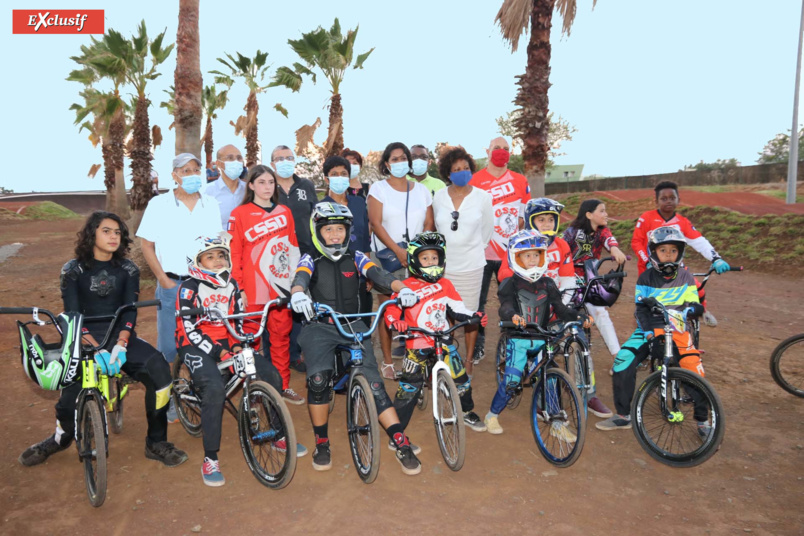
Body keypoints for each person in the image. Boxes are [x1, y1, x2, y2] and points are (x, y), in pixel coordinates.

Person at [19, 211, 188, 468]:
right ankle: (60, 438)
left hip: (120, 337)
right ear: (92, 234)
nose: (113, 237)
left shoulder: (128, 269)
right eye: (106, 231)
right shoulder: (73, 270)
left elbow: (129, 310)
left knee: (161, 376)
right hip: (82, 339)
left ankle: (156, 442)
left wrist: (121, 344)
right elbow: (73, 313)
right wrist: (93, 348)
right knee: (68, 399)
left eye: (117, 232)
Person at [289, 202, 423, 475]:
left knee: (374, 384)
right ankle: (322, 441)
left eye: (340, 229)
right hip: (320, 325)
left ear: (348, 231)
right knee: (317, 381)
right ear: (318, 231)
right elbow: (300, 278)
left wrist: (402, 287)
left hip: (354, 324)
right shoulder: (310, 257)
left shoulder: (357, 255)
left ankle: (399, 439)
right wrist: (298, 294)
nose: (335, 235)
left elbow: (379, 274)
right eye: (329, 229)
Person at [176, 235, 292, 486]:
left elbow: (237, 318)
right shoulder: (189, 287)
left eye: (221, 255)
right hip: (195, 343)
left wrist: (238, 344)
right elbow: (188, 328)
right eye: (210, 257)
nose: (218, 261)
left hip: (228, 340)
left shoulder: (232, 284)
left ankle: (279, 434)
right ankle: (210, 459)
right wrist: (219, 353)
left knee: (270, 375)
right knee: (214, 390)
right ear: (197, 262)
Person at [137, 153, 222, 423]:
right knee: (169, 347)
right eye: (186, 170)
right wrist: (163, 280)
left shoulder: (211, 204)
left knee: (204, 341)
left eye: (196, 169)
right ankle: (172, 400)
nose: (192, 174)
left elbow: (217, 243)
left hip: (205, 286)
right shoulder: (159, 204)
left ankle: (201, 393)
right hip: (172, 284)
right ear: (174, 175)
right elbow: (146, 245)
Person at [597, 227, 706, 432]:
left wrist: (691, 310)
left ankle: (703, 420)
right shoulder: (645, 278)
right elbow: (640, 310)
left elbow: (695, 304)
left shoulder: (686, 277)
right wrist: (648, 332)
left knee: (694, 369)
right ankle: (623, 415)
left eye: (673, 250)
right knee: (622, 361)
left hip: (678, 330)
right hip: (649, 329)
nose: (668, 255)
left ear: (680, 252)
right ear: (653, 252)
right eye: (663, 250)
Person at [485, 230, 593, 435]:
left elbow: (560, 309)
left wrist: (577, 316)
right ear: (516, 258)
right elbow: (505, 306)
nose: (533, 259)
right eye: (527, 256)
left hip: (543, 338)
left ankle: (556, 423)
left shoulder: (548, 283)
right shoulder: (510, 282)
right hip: (519, 338)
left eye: (536, 255)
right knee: (512, 381)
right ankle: (492, 415)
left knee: (550, 377)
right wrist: (513, 316)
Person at [384, 232, 489, 433]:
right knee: (409, 387)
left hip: (443, 339)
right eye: (425, 258)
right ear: (415, 260)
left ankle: (466, 412)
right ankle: (397, 431)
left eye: (435, 257)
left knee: (461, 380)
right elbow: (391, 311)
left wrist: (473, 315)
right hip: (416, 342)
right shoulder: (404, 287)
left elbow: (458, 308)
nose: (431, 262)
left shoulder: (445, 284)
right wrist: (396, 322)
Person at [228, 165, 304, 405]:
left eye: (270, 182)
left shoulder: (285, 212)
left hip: (280, 286)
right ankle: (255, 389)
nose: (267, 187)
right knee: (251, 341)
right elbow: (234, 253)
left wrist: (293, 285)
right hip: (252, 288)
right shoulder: (239, 213)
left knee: (281, 337)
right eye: (261, 182)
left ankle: (282, 386)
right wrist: (239, 288)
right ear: (251, 185)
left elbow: (293, 249)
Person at [368, 142, 435, 379]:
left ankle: (416, 357)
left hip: (418, 258)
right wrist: (398, 250)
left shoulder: (421, 190)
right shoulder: (378, 189)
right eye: (394, 159)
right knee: (389, 309)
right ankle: (387, 362)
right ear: (387, 164)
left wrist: (417, 252)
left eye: (402, 158)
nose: (399, 162)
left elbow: (429, 223)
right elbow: (375, 224)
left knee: (418, 307)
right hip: (388, 258)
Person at [632, 181, 731, 327]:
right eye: (663, 198)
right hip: (650, 271)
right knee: (649, 308)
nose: (668, 201)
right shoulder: (646, 218)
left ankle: (701, 313)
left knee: (698, 289)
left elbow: (699, 241)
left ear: (679, 200)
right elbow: (636, 242)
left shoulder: (682, 222)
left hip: (675, 269)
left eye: (672, 198)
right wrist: (647, 261)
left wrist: (716, 258)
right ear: (656, 201)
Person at [432, 147, 493, 377]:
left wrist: (471, 250)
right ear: (448, 173)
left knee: (469, 315)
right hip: (444, 268)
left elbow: (487, 232)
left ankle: (467, 360)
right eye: (456, 169)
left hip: (471, 267)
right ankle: (449, 357)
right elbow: (437, 228)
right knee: (445, 314)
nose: (462, 172)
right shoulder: (439, 196)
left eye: (466, 168)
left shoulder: (483, 197)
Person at [470, 137, 530, 365]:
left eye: (506, 149)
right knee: (478, 303)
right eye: (497, 148)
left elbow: (524, 218)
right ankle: (477, 346)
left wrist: (509, 237)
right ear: (487, 151)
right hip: (482, 254)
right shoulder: (475, 181)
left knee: (515, 301)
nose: (502, 152)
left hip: (511, 257)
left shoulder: (520, 180)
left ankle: (512, 345)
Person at [563, 198, 627, 412]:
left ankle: (617, 357)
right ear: (589, 214)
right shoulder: (571, 232)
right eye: (602, 210)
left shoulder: (603, 232)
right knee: (562, 317)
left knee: (600, 313)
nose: (605, 214)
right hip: (568, 280)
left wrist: (616, 251)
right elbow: (562, 252)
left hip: (589, 281)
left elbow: (611, 242)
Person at [321, 155, 372, 314]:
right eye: (334, 174)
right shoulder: (320, 207)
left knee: (362, 317)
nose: (339, 177)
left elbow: (365, 239)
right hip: (332, 274)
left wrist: (368, 273)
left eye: (343, 174)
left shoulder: (358, 203)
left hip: (359, 272)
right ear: (327, 179)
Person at [205, 144, 247, 228]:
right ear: (219, 164)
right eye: (230, 158)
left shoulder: (249, 190)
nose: (236, 162)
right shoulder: (207, 192)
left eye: (239, 158)